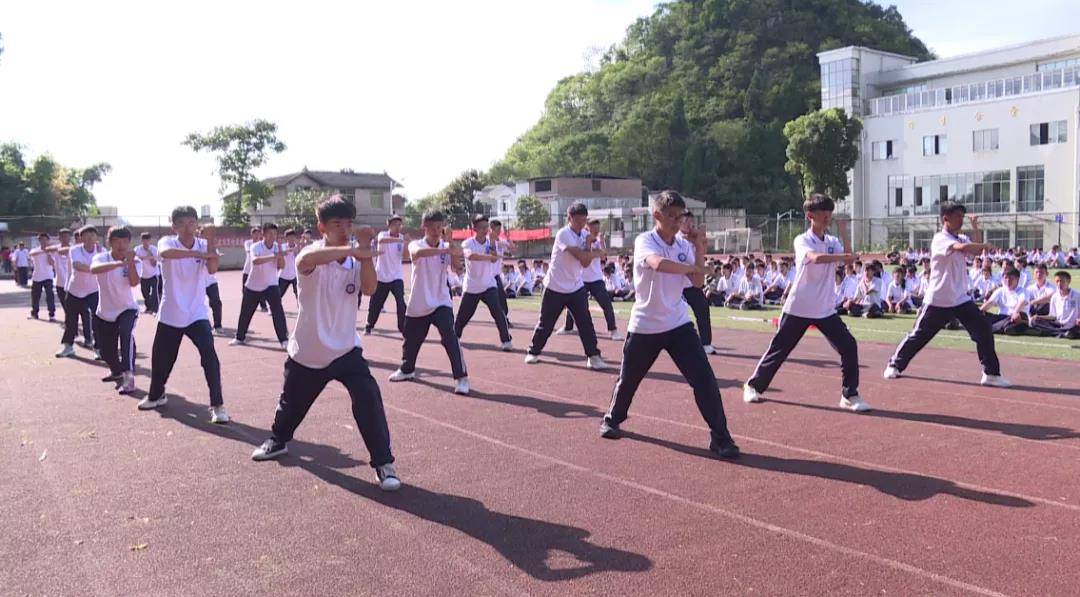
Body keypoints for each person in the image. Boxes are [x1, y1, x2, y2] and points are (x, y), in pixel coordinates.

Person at [250, 197, 400, 491]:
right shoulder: (309, 253)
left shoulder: (357, 258)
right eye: (336, 224)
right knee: (291, 406)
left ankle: (384, 463)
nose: (345, 229)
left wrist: (365, 255)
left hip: (346, 349)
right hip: (309, 351)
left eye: (349, 224)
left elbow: (369, 289)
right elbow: (306, 263)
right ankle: (277, 440)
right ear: (322, 227)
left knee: (368, 396)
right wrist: (353, 248)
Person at [599, 191, 740, 458]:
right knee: (629, 379)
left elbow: (697, 285)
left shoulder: (684, 247)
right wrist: (692, 268)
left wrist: (699, 249)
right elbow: (658, 264)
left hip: (678, 324)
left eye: (681, 217)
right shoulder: (645, 241)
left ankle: (721, 438)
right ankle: (612, 418)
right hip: (645, 325)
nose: (678, 223)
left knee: (704, 379)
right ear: (657, 216)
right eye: (672, 217)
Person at [743, 194, 869, 411]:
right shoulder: (802, 240)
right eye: (823, 212)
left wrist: (845, 232)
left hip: (825, 309)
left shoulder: (832, 241)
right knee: (779, 350)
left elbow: (848, 259)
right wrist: (840, 256)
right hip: (799, 307)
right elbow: (814, 258)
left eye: (829, 211)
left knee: (849, 346)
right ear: (811, 216)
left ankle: (850, 394)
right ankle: (753, 386)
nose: (827, 216)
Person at [885, 203, 1010, 387]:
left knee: (983, 329)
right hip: (939, 299)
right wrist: (983, 244)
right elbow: (962, 247)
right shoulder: (940, 239)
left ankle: (991, 374)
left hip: (960, 298)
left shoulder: (962, 237)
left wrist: (976, 228)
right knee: (919, 335)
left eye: (962, 216)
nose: (961, 219)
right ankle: (895, 364)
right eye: (957, 216)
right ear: (946, 219)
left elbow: (975, 249)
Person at [139, 206, 227, 421]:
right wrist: (200, 253)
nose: (187, 228)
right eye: (182, 224)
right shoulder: (167, 242)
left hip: (197, 313)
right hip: (171, 312)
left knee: (209, 356)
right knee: (162, 360)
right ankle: (156, 395)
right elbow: (166, 254)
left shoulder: (206, 244)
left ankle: (218, 405)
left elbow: (213, 268)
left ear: (197, 224)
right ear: (174, 226)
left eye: (191, 223)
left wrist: (211, 240)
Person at [389, 210, 470, 395]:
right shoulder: (415, 244)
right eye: (432, 227)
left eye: (439, 227)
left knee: (450, 337)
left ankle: (461, 377)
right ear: (423, 227)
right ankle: (407, 369)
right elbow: (419, 253)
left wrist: (451, 247)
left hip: (441, 300)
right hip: (419, 301)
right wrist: (446, 249)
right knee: (411, 340)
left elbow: (457, 268)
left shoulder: (446, 245)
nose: (436, 230)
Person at [523, 203, 608, 369]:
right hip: (555, 286)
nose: (581, 224)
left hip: (576, 287)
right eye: (577, 220)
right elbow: (580, 256)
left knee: (585, 323)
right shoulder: (564, 234)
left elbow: (589, 261)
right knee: (546, 323)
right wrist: (592, 250)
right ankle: (533, 351)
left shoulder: (585, 234)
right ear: (569, 218)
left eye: (584, 220)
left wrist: (590, 246)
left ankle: (593, 356)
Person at [90, 227, 141, 395]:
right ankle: (116, 371)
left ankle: (128, 376)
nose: (121, 245)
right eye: (117, 241)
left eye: (125, 241)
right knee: (105, 351)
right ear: (109, 242)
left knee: (126, 334)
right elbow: (94, 270)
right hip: (104, 312)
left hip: (127, 308)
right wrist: (120, 263)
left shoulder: (136, 261)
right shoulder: (100, 257)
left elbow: (133, 283)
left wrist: (130, 263)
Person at [454, 215, 513, 351]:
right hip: (472, 287)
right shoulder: (468, 243)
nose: (485, 230)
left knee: (498, 312)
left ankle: (506, 340)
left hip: (488, 285)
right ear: (474, 228)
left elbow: (493, 260)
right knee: (464, 315)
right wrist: (490, 256)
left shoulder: (491, 242)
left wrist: (492, 244)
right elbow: (471, 256)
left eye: (486, 227)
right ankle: (455, 336)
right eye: (481, 227)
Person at [560, 218, 622, 341]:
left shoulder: (598, 241)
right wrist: (590, 247)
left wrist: (602, 242)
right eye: (594, 229)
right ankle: (568, 327)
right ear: (587, 228)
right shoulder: (581, 239)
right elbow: (582, 254)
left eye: (598, 229)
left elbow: (603, 255)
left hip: (596, 279)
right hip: (581, 279)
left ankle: (613, 330)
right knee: (572, 303)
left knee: (606, 305)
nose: (597, 231)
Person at [231, 222, 289, 348]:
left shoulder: (277, 247)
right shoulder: (255, 247)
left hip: (271, 285)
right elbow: (255, 261)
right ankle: (239, 337)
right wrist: (273, 256)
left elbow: (282, 266)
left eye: (275, 234)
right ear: (263, 234)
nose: (273, 236)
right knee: (245, 312)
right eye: (270, 233)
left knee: (278, 312)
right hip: (253, 285)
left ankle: (284, 340)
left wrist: (279, 254)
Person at [55, 227, 105, 359]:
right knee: (71, 320)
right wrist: (96, 268)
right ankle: (68, 347)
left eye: (92, 235)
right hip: (75, 291)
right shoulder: (75, 250)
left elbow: (105, 268)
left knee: (97, 320)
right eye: (86, 235)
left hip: (94, 290)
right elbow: (77, 266)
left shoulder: (102, 251)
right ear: (81, 238)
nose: (89, 238)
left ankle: (99, 348)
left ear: (96, 238)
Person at [365, 215, 407, 336]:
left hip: (396, 276)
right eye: (395, 225)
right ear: (389, 226)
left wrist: (406, 245)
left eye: (400, 225)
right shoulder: (383, 235)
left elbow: (404, 257)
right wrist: (400, 241)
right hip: (381, 276)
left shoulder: (402, 238)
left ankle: (402, 328)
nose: (398, 227)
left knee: (401, 301)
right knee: (376, 303)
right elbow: (381, 241)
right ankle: (369, 324)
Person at [1028, 271, 1080, 339]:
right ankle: (1063, 333)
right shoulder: (1055, 297)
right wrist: (1038, 316)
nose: (1059, 284)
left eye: (1062, 281)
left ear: (1069, 281)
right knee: (1035, 321)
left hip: (1073, 325)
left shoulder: (1077, 295)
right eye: (1057, 281)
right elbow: (1053, 316)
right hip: (1058, 325)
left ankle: (1059, 333)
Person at [979, 268, 1030, 335]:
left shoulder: (1023, 291)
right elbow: (990, 302)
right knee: (983, 316)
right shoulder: (1000, 290)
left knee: (1015, 319)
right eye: (1006, 278)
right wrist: (979, 312)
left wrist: (1014, 313)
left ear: (1017, 279)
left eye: (1011, 279)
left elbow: (1022, 303)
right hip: (1001, 317)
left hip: (1014, 318)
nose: (1008, 281)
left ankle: (992, 327)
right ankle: (1000, 327)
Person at [489, 219, 515, 325]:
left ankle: (504, 320)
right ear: (491, 229)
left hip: (496, 276)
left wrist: (508, 237)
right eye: (497, 229)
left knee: (501, 299)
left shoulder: (500, 241)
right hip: (487, 277)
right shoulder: (487, 241)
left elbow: (513, 249)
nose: (499, 232)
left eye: (500, 229)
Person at [200, 227, 225, 334]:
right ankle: (203, 325)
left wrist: (214, 257)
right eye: (207, 234)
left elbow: (213, 269)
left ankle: (218, 325)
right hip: (198, 283)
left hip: (211, 282)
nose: (209, 237)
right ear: (201, 235)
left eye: (211, 234)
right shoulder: (196, 247)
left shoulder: (213, 248)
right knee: (199, 305)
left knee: (216, 303)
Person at [28, 233, 57, 321]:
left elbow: (52, 263)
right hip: (37, 276)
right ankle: (35, 313)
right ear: (39, 241)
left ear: (48, 240)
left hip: (48, 276)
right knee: (35, 296)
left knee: (49, 295)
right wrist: (43, 250)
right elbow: (31, 254)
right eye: (41, 240)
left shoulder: (51, 251)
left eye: (45, 239)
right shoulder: (35, 250)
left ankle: (52, 314)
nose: (44, 241)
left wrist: (48, 253)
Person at [241, 226, 269, 312]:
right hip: (247, 270)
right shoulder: (248, 243)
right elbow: (249, 251)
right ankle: (247, 305)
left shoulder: (262, 244)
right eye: (254, 233)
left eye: (258, 233)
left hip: (258, 271)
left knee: (261, 288)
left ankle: (263, 306)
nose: (256, 235)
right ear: (251, 234)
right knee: (245, 289)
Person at [135, 232, 161, 314]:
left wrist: (149, 254)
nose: (145, 242)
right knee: (145, 293)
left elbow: (154, 264)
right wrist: (142, 258)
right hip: (143, 275)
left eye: (147, 240)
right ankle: (148, 308)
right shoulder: (137, 249)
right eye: (144, 240)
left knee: (154, 293)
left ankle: (156, 310)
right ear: (141, 240)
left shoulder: (154, 249)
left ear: (150, 240)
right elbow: (135, 258)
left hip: (154, 275)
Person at [50, 228, 73, 315]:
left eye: (66, 236)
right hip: (59, 282)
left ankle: (70, 322)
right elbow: (47, 253)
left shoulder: (74, 249)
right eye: (62, 237)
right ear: (59, 238)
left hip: (72, 283)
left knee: (72, 305)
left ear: (70, 238)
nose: (65, 239)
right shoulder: (55, 249)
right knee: (64, 304)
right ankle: (69, 321)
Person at [277, 228, 301, 308]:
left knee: (298, 293)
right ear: (286, 238)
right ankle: (273, 308)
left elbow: (300, 256)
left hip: (295, 275)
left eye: (292, 237)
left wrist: (296, 250)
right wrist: (290, 250)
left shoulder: (298, 247)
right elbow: (280, 254)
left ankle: (300, 309)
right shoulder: (282, 247)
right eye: (289, 237)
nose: (291, 239)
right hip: (283, 275)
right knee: (278, 294)